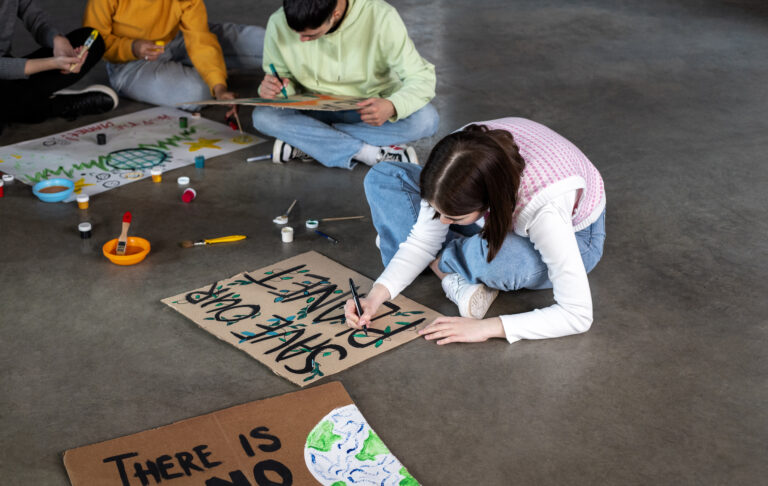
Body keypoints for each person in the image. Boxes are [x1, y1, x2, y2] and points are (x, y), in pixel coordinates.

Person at [345, 118, 607, 345]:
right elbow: (423, 240)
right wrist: (375, 296)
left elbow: (577, 314)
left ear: (488, 203)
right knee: (385, 177)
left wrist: (486, 328)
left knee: (504, 263)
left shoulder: (545, 211)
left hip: (577, 236)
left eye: (453, 217)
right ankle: (448, 273)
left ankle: (429, 256)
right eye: (438, 213)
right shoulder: (455, 155)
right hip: (496, 210)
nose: (443, 221)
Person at [252, 0, 439, 169]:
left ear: (336, 14)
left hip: (370, 111)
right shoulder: (278, 21)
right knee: (263, 116)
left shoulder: (381, 17)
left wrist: (391, 106)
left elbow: (422, 77)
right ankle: (368, 153)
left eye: (311, 35)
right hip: (313, 108)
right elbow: (281, 77)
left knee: (426, 119)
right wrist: (275, 88)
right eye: (296, 34)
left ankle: (309, 142)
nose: (302, 40)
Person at [83, 0, 265, 114]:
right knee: (197, 93)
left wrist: (218, 85)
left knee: (265, 42)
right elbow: (93, 42)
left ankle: (209, 68)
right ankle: (206, 68)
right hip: (131, 62)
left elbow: (199, 39)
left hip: (177, 36)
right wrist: (131, 47)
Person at [0, 0, 118, 134]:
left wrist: (59, 42)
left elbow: (34, 16)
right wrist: (52, 63)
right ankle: (58, 106)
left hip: (10, 75)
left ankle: (21, 102)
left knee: (90, 40)